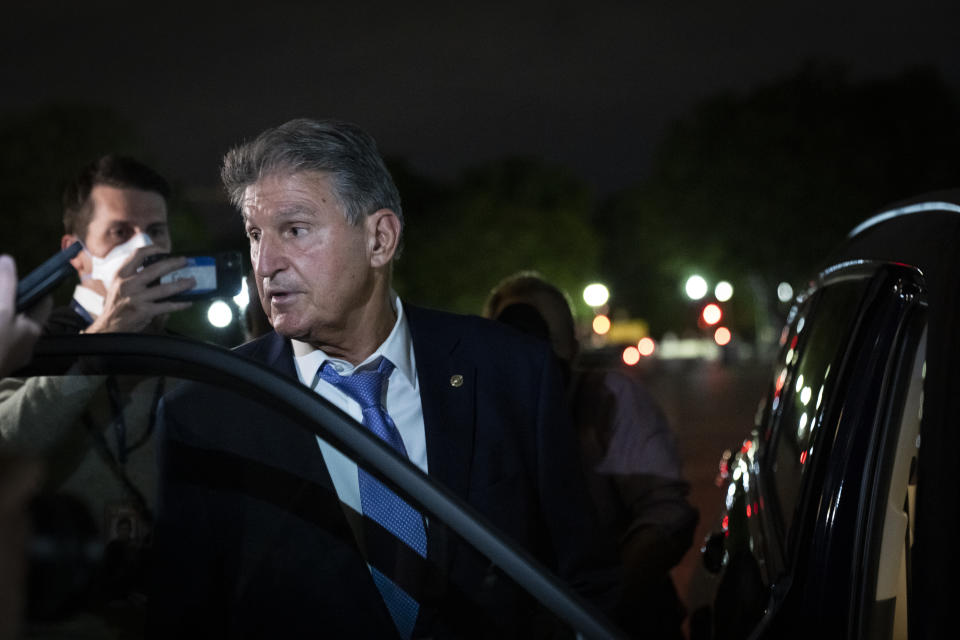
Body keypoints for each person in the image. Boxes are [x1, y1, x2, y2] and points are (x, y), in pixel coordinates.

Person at [149, 118, 620, 638]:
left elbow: (584, 581)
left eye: (296, 230)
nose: (265, 263)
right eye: (256, 235)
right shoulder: (209, 412)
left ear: (380, 238)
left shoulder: (512, 372)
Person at [0, 155, 195, 633]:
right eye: (120, 232)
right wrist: (99, 343)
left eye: (157, 231)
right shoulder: (27, 341)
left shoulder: (192, 361)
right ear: (75, 253)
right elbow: (7, 441)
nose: (145, 246)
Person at [484, 272, 698, 639]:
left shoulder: (610, 399)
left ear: (571, 347)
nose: (533, 359)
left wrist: (597, 605)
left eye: (545, 341)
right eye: (515, 338)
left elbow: (666, 515)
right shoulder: (481, 415)